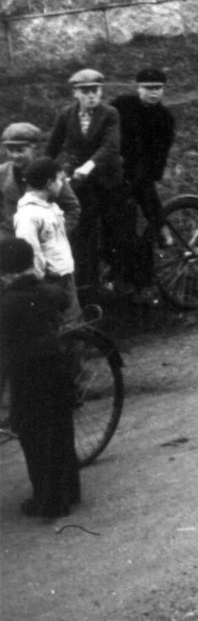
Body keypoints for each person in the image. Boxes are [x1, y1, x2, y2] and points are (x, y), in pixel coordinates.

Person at [0, 236, 82, 519]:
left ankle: (48, 501)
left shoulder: (6, 303)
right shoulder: (48, 292)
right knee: (61, 430)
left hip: (26, 376)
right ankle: (70, 490)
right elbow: (64, 300)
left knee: (33, 437)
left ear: (4, 271)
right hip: (57, 370)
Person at [45, 69, 127, 294]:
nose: (91, 96)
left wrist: (89, 166)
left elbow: (110, 146)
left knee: (115, 231)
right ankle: (89, 287)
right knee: (83, 233)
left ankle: (121, 283)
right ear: (75, 93)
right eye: (86, 91)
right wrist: (40, 172)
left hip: (108, 180)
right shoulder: (65, 115)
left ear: (100, 92)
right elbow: (53, 147)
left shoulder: (110, 113)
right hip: (81, 184)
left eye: (95, 91)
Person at [112, 68, 177, 305]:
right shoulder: (122, 105)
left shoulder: (165, 118)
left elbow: (157, 157)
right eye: (149, 88)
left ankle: (162, 231)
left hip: (143, 173)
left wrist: (135, 182)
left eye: (158, 88)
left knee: (146, 218)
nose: (153, 93)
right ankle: (119, 276)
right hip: (117, 168)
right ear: (138, 88)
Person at [12, 157, 82, 325]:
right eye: (60, 180)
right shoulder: (29, 215)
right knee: (59, 325)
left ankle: (78, 347)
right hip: (50, 280)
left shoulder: (48, 207)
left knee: (74, 320)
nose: (63, 184)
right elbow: (31, 252)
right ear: (49, 183)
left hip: (64, 275)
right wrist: (40, 283)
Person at [1, 122, 80, 239]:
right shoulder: (2, 172)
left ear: (34, 148)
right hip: (10, 238)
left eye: (20, 150)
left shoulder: (50, 171)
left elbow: (72, 207)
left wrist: (56, 234)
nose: (15, 155)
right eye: (10, 150)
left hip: (44, 239)